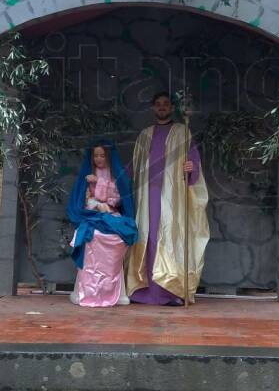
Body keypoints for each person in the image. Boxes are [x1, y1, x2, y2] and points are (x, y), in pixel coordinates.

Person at [127, 92, 210, 305]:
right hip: (148, 197)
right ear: (153, 108)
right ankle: (144, 291)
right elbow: (135, 166)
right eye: (158, 104)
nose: (162, 107)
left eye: (166, 104)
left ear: (172, 108)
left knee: (170, 237)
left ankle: (172, 292)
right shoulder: (145, 135)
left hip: (172, 197)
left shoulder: (183, 132)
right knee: (149, 237)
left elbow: (193, 164)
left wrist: (191, 168)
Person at [67, 140, 138, 307]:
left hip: (111, 214)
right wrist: (95, 204)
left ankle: (113, 291)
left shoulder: (117, 174)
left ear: (108, 156)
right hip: (92, 215)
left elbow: (118, 198)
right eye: (96, 155)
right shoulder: (87, 173)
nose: (99, 159)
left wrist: (99, 184)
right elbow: (82, 199)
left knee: (117, 239)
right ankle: (87, 291)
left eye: (102, 155)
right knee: (92, 237)